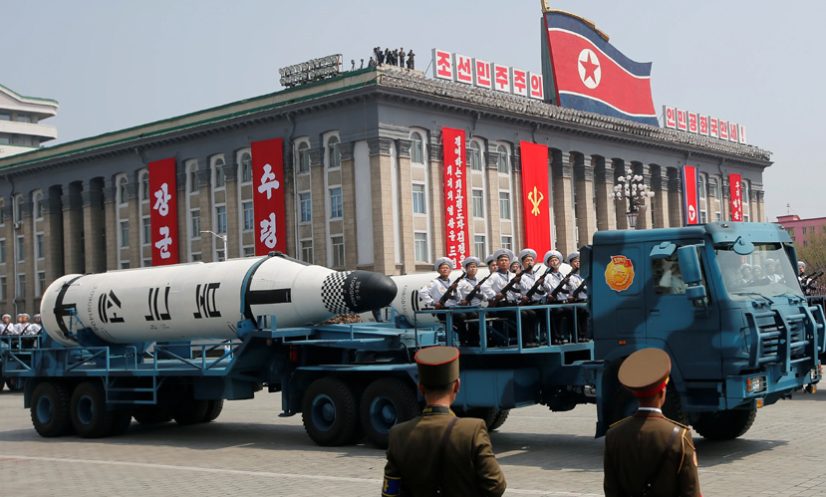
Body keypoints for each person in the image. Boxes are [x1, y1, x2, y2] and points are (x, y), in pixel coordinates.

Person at [383, 346, 506, 497]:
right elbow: (496, 486)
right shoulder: (472, 431)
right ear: (457, 386)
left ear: (421, 388)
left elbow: (390, 493)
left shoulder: (398, 435)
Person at [604, 348, 701, 497]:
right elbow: (691, 492)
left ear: (635, 394)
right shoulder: (679, 437)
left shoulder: (613, 436)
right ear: (662, 392)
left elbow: (611, 491)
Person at [542, 250, 568, 344]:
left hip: (564, 301)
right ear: (549, 264)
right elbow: (546, 289)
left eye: (556, 260)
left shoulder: (563, 275)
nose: (554, 262)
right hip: (553, 302)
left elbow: (567, 289)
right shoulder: (547, 276)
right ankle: (556, 337)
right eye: (552, 261)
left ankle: (568, 336)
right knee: (557, 313)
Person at [565, 252, 589, 342]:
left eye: (579, 261)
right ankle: (578, 336)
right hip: (576, 301)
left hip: (586, 301)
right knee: (577, 317)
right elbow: (572, 289)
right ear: (571, 264)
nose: (578, 263)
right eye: (575, 261)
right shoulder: (569, 277)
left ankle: (585, 335)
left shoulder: (585, 275)